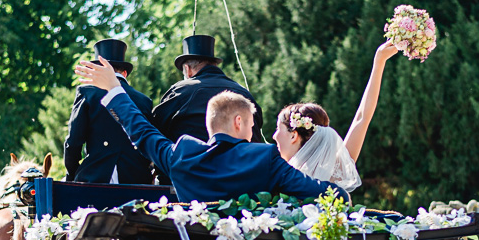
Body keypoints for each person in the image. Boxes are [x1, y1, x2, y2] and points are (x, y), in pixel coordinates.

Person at [73, 57, 347, 205]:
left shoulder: (183, 155)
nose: (254, 132)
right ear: (239, 122)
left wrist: (115, 90)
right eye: (252, 124)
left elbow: (143, 132)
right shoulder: (266, 159)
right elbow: (328, 194)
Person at [272, 41, 400, 192]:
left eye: (278, 128)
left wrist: (379, 61)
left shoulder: (280, 177)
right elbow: (362, 119)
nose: (274, 136)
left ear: (294, 135)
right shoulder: (334, 173)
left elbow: (361, 118)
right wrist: (379, 62)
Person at [64, 39, 153, 184]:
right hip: (136, 181)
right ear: (124, 73)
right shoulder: (144, 100)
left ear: (98, 71)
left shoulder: (87, 92)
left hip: (95, 178)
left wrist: (73, 175)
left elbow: (73, 142)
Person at [150, 34, 264, 144]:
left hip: (193, 162)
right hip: (244, 162)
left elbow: (154, 131)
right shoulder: (244, 94)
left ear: (187, 69)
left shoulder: (180, 91)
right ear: (214, 64)